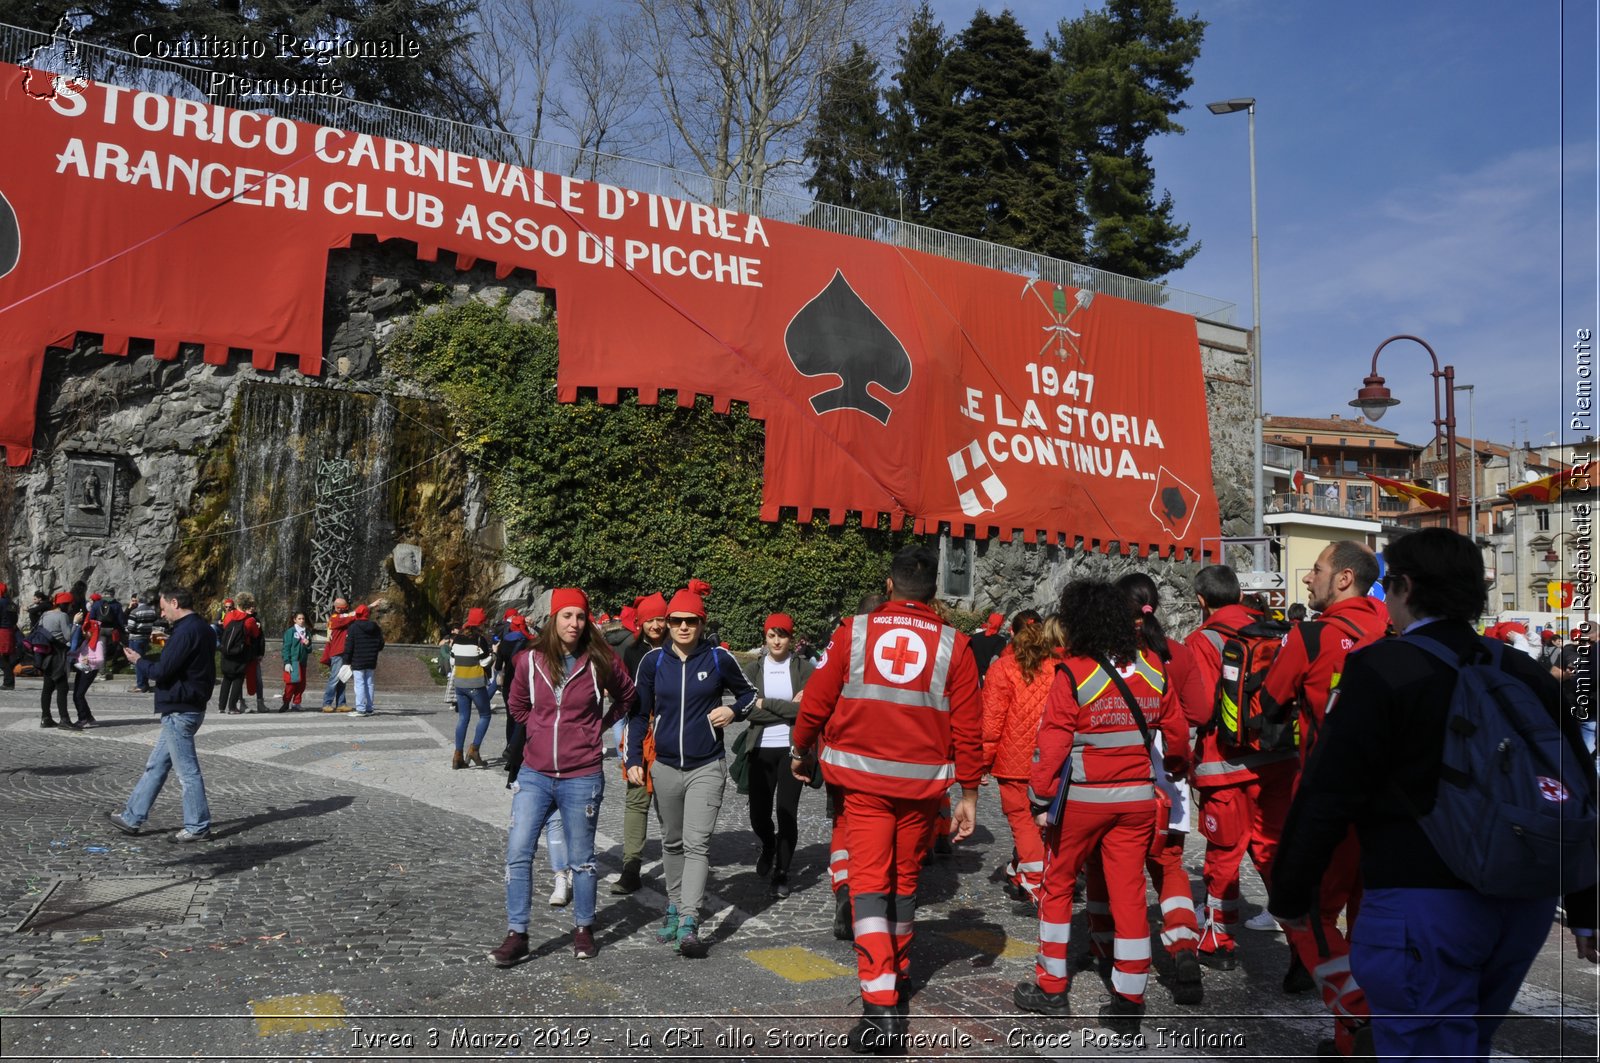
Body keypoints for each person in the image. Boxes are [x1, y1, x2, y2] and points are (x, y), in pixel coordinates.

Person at [1269, 527, 1599, 1060]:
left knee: (1427, 1048)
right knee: (1467, 1044)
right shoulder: (1518, 668)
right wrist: (1586, 902)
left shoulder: (1382, 668)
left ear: (1403, 587)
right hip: (1525, 897)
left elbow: (1331, 789)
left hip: (1423, 899)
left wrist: (1291, 889)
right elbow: (1579, 784)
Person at [790, 546, 983, 1053]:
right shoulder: (955, 646)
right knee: (903, 882)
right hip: (924, 790)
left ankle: (880, 1010)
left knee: (870, 886)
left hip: (864, 785)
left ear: (890, 585)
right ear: (935, 594)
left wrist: (801, 748)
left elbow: (816, 700)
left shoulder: (854, 632)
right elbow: (968, 728)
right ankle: (896, 978)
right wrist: (970, 795)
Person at [1014, 580, 1191, 1036]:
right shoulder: (1153, 667)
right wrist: (1173, 766)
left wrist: (1038, 797)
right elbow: (1176, 733)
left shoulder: (1074, 672)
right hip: (1136, 802)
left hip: (1083, 802)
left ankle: (1051, 988)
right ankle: (1129, 998)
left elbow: (1050, 744)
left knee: (1056, 887)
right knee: (1130, 893)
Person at [1257, 540, 1389, 1055]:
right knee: (1369, 924)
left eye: (1316, 570)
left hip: (1326, 801)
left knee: (1305, 911)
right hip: (1385, 807)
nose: (1308, 579)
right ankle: (1352, 1043)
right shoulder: (1392, 630)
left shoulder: (1309, 636)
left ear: (1343, 580)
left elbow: (1269, 704)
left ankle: (1355, 1020)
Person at [1080, 573, 1212, 1008]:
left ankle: (1105, 946)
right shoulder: (1176, 653)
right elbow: (1199, 711)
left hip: (1118, 772)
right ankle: (1182, 945)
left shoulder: (1107, 654)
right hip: (1167, 774)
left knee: (1105, 859)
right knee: (1169, 863)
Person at [490, 588, 637, 967]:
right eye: (566, 615)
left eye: (580, 616)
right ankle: (517, 934)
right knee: (517, 853)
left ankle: (584, 928)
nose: (574, 623)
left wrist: (596, 729)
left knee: (582, 859)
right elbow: (517, 704)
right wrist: (539, 732)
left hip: (581, 775)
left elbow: (627, 697)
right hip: (535, 773)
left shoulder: (601, 659)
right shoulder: (528, 660)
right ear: (554, 619)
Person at [625, 584, 759, 958]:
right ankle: (673, 907)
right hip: (665, 766)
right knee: (672, 842)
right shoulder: (652, 663)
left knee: (697, 844)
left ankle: (689, 921)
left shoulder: (718, 659)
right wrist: (633, 758)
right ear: (666, 624)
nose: (684, 627)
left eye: (691, 621)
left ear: (702, 624)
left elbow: (748, 695)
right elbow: (638, 714)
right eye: (677, 621)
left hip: (706, 765)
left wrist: (733, 711)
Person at [1184, 564, 1297, 969]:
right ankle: (1303, 943)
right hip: (1278, 757)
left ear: (1201, 600)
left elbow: (1197, 709)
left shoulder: (1202, 640)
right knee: (1272, 851)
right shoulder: (1275, 631)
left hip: (1225, 764)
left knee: (1223, 854)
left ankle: (1218, 939)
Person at [111, 588, 216, 842]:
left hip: (180, 708)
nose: (161, 612)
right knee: (156, 765)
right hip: (189, 705)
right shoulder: (202, 627)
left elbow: (162, 671)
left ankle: (197, 826)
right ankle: (132, 816)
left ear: (175, 603)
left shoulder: (185, 632)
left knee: (187, 772)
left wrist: (138, 661)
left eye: (163, 607)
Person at [979, 609, 1053, 905]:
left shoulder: (1003, 669)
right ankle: (1032, 870)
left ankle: (1035, 879)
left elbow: (991, 723)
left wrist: (982, 763)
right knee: (1044, 822)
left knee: (1022, 820)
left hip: (1012, 760)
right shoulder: (1059, 668)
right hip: (1051, 757)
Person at [741, 611, 815, 899]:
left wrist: (766, 705)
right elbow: (747, 709)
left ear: (790, 638)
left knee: (787, 813)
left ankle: (782, 871)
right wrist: (787, 710)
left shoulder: (805, 668)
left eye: (781, 635)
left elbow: (807, 712)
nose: (776, 640)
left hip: (792, 749)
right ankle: (768, 846)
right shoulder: (753, 669)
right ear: (765, 636)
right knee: (758, 814)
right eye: (771, 635)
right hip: (760, 748)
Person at [612, 593, 668, 894]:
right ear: (641, 622)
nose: (657, 625)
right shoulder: (630, 651)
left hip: (671, 732)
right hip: (639, 730)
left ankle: (680, 861)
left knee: (671, 800)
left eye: (661, 619)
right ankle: (631, 866)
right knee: (636, 799)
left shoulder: (677, 647)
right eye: (651, 620)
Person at [449, 608, 496, 769]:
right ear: (480, 623)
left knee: (463, 718)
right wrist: (494, 654)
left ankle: (457, 755)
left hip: (460, 683)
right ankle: (474, 749)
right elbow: (484, 663)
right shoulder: (479, 640)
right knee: (485, 715)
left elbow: (452, 661)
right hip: (475, 683)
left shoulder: (456, 639)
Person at [37, 592, 77, 729]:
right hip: (58, 655)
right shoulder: (63, 616)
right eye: (70, 605)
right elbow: (67, 637)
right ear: (65, 604)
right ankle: (64, 719)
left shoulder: (45, 614)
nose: (71, 608)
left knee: (47, 688)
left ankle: (45, 718)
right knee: (62, 687)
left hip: (45, 655)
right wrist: (76, 624)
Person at [217, 594, 261, 715]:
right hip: (241, 652)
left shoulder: (229, 615)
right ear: (247, 605)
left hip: (226, 650)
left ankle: (221, 706)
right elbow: (255, 634)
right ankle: (232, 707)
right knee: (238, 679)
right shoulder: (250, 620)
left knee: (226, 678)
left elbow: (225, 628)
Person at [343, 603, 384, 717]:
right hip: (371, 659)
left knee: (359, 684)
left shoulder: (353, 627)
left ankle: (360, 708)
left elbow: (349, 645)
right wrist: (373, 651)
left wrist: (346, 661)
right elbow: (381, 644)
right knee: (370, 684)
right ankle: (369, 708)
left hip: (357, 660)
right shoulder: (375, 627)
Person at [66, 608, 102, 727]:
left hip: (90, 669)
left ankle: (83, 718)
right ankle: (89, 717)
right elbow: (79, 653)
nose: (83, 633)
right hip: (82, 668)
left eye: (86, 631)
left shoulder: (98, 643)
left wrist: (90, 659)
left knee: (79, 695)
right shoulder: (86, 641)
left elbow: (100, 659)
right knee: (77, 694)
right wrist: (70, 654)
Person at [319, 597, 353, 711]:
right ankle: (326, 703)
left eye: (346, 608)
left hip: (344, 652)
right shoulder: (335, 619)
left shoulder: (341, 617)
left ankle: (341, 703)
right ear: (337, 608)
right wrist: (369, 607)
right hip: (337, 653)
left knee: (342, 678)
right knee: (334, 679)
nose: (345, 610)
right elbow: (353, 615)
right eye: (343, 608)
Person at [126, 593, 160, 693]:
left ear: (138, 600)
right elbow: (154, 623)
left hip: (135, 638)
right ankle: (144, 683)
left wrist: (125, 629)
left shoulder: (135, 612)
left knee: (137, 662)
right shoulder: (152, 611)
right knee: (143, 660)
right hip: (145, 638)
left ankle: (141, 685)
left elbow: (131, 628)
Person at [280, 612, 312, 711]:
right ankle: (286, 702)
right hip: (293, 661)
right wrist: (287, 662)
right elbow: (286, 647)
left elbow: (310, 649)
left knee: (301, 684)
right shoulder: (290, 632)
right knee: (291, 684)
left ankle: (296, 703)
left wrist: (307, 645)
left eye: (303, 619)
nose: (302, 620)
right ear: (295, 620)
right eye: (299, 619)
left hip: (302, 661)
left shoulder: (307, 632)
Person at [967, 612, 1010, 682]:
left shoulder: (975, 637)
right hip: (985, 676)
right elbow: (995, 659)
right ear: (999, 625)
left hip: (971, 673)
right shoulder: (1000, 641)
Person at [0, 581, 18, 690]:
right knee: (6, 657)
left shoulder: (1, 602)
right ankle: (8, 681)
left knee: (3, 659)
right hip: (10, 630)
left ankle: (9, 681)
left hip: (2, 631)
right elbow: (15, 619)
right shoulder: (11, 603)